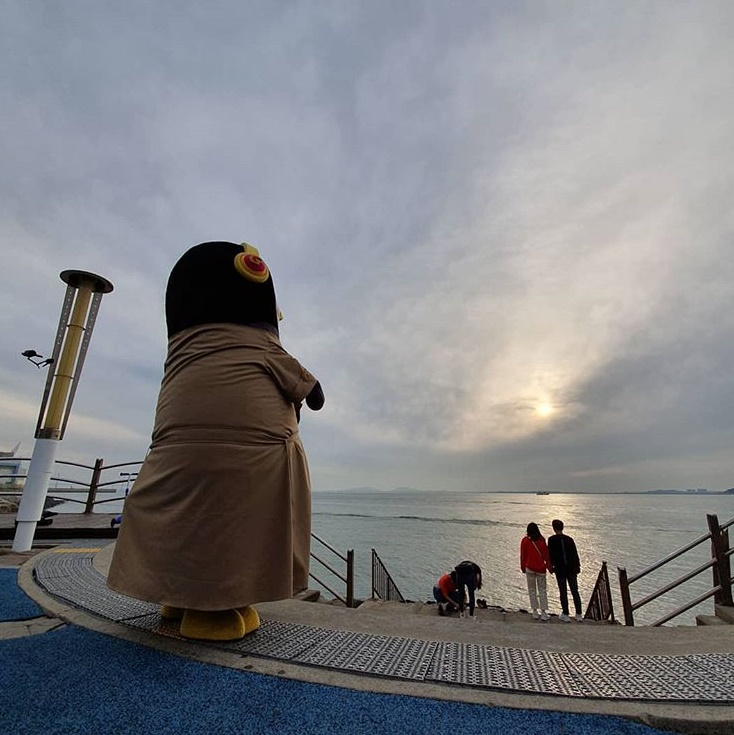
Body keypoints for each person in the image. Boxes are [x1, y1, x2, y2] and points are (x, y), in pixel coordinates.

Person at [548, 519, 583, 622]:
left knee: (563, 591)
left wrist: (551, 568)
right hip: (571, 568)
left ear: (554, 528)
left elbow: (550, 555)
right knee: (575, 591)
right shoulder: (569, 539)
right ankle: (579, 614)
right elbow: (575, 554)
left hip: (560, 569)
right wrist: (578, 567)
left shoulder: (551, 540)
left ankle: (566, 613)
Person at [520, 523, 552, 621]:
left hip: (529, 567)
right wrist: (550, 568)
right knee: (542, 590)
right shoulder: (541, 541)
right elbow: (546, 556)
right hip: (541, 569)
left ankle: (534, 611)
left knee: (532, 590)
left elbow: (523, 555)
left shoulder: (525, 541)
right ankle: (543, 612)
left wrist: (522, 567)